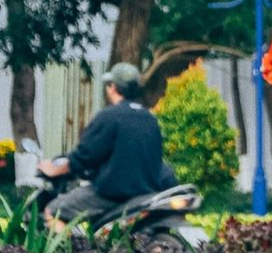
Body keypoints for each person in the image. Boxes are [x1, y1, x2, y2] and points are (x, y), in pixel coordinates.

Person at [39, 62, 176, 229]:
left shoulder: (109, 116)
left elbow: (85, 156)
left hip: (111, 195)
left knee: (53, 211)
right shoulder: (149, 118)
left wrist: (53, 169)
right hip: (146, 194)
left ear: (112, 87)